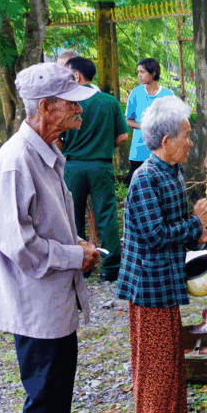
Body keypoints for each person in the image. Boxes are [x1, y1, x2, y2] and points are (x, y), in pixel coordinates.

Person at [0, 63, 100, 413]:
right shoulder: (17, 160)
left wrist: (76, 243)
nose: (79, 109)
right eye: (71, 102)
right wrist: (72, 256)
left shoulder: (46, 152)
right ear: (46, 107)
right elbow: (18, 243)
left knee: (56, 395)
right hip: (36, 305)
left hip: (53, 302)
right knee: (45, 402)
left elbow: (48, 220)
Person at [116, 95, 207, 413]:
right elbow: (154, 234)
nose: (190, 143)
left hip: (166, 280)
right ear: (166, 140)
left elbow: (174, 225)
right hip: (149, 286)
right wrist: (195, 222)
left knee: (171, 358)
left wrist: (198, 234)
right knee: (155, 364)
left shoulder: (172, 170)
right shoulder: (145, 178)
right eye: (186, 136)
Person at [60, 57, 130, 282]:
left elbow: (58, 138)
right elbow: (122, 135)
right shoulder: (109, 102)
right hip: (101, 165)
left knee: (73, 217)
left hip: (73, 166)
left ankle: (82, 265)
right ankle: (111, 269)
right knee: (106, 216)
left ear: (77, 76)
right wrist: (103, 146)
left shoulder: (66, 101)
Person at [125, 57, 176, 185]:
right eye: (138, 72)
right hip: (138, 152)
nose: (139, 76)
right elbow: (127, 120)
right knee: (137, 188)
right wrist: (143, 126)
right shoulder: (135, 93)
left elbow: (174, 122)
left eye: (142, 72)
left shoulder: (168, 95)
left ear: (153, 74)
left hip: (161, 152)